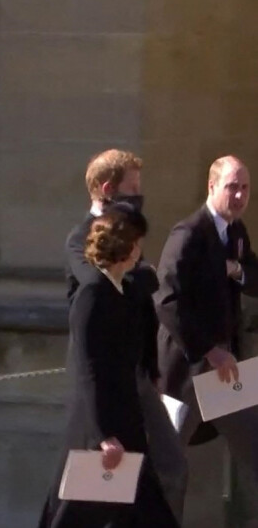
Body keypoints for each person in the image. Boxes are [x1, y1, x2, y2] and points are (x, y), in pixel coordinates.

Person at [64, 149, 187, 520]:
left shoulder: (129, 234)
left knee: (168, 465)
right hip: (103, 381)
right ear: (107, 189)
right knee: (89, 490)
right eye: (132, 190)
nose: (139, 199)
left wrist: (151, 363)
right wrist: (140, 274)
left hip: (136, 374)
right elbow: (103, 286)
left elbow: (139, 299)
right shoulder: (79, 239)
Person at [39, 208, 179, 528]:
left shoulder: (122, 292)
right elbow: (89, 370)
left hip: (126, 419)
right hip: (103, 427)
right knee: (77, 514)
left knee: (142, 509)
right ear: (128, 247)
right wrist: (104, 435)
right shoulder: (91, 295)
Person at [155, 155, 258, 527]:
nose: (240, 195)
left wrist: (238, 270)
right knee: (166, 465)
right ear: (212, 187)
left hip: (226, 373)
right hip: (186, 373)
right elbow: (165, 299)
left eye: (245, 187)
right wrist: (208, 350)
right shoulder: (188, 233)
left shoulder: (237, 231)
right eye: (232, 186)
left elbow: (255, 277)